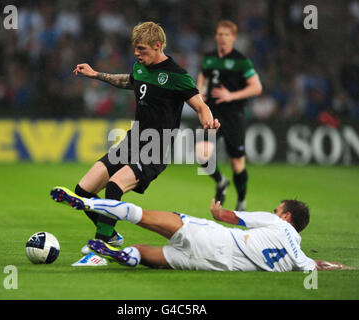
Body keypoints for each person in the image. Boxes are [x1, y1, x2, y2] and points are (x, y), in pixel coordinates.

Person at [68, 22, 220, 254]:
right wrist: (95, 74)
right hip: (132, 141)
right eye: (135, 49)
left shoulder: (177, 75)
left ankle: (101, 247)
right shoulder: (140, 67)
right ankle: (112, 234)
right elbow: (129, 81)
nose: (137, 54)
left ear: (157, 46)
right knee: (83, 191)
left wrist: (208, 122)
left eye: (142, 49)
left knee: (114, 186)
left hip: (155, 149)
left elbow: (200, 105)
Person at [50, 186, 353, 272]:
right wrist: (345, 267)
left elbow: (234, 218)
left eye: (277, 209)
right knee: (144, 254)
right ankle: (121, 255)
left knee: (141, 215)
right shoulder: (297, 258)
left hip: (213, 236)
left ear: (286, 216)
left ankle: (85, 203)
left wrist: (219, 211)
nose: (274, 212)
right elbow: (319, 265)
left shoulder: (276, 222)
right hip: (212, 265)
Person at [195, 20, 262, 210]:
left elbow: (256, 87)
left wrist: (231, 95)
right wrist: (200, 91)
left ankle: (241, 200)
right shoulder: (208, 58)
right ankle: (221, 181)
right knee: (202, 155)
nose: (222, 38)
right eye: (219, 34)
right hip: (213, 113)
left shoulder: (241, 60)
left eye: (226, 34)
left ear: (233, 37)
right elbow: (203, 77)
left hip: (234, 116)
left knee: (237, 164)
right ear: (215, 36)